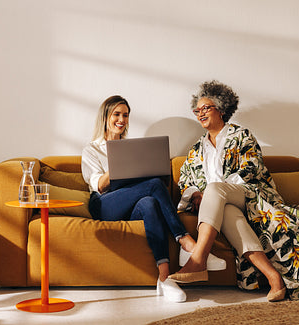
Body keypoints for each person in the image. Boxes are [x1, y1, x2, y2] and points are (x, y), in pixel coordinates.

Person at [168, 80, 299, 301]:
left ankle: (198, 258)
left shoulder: (241, 135)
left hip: (249, 195)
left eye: (206, 108)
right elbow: (186, 181)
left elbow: (251, 168)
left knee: (216, 190)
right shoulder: (196, 149)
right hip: (220, 205)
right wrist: (196, 193)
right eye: (197, 110)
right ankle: (274, 278)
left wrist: (213, 191)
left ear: (222, 109)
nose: (200, 113)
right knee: (225, 210)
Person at [81, 95, 225, 303]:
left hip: (132, 201)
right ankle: (187, 243)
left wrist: (143, 164)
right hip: (104, 204)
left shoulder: (132, 148)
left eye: (126, 115)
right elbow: (99, 185)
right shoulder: (92, 149)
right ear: (105, 117)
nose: (122, 119)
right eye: (117, 114)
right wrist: (121, 161)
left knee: (149, 202)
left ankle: (164, 278)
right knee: (154, 185)